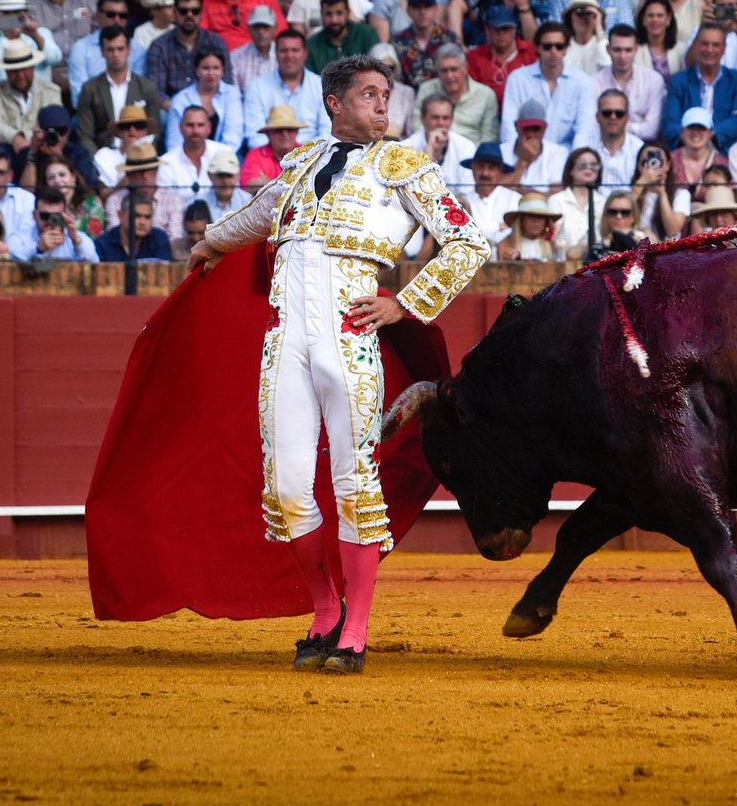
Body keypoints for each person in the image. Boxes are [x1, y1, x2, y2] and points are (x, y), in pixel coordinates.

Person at [186, 55, 490, 676]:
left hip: (348, 336)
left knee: (355, 482)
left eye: (387, 96)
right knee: (288, 487)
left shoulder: (404, 165)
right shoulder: (296, 168)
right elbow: (255, 216)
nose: (384, 107)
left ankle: (356, 628)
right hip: (287, 341)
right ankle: (324, 609)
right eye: (371, 95)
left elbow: (470, 241)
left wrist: (405, 302)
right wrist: (210, 243)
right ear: (335, 103)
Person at [503, 24, 599, 150]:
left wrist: (576, 159)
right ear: (537, 48)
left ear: (566, 49)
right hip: (526, 153)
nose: (553, 51)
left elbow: (585, 126)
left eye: (559, 46)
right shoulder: (517, 79)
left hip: (567, 155)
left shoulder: (581, 80)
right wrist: (517, 155)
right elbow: (509, 125)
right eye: (547, 46)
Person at [76, 26, 165, 156]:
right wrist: (98, 162)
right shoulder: (90, 89)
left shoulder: (147, 87)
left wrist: (141, 156)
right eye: (110, 49)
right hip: (104, 154)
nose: (116, 54)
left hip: (140, 155)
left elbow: (154, 131)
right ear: (102, 52)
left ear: (129, 50)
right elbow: (85, 134)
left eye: (120, 49)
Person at [661, 23, 737, 149]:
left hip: (725, 152)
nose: (709, 50)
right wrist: (692, 138)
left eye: (715, 45)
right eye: (704, 44)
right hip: (685, 150)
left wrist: (707, 136)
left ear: (724, 48)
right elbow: (670, 124)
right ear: (696, 46)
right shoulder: (678, 81)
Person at [246, 29, 329, 150]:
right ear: (276, 53)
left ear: (305, 53)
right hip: (269, 156)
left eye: (295, 50)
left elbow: (326, 132)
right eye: (284, 50)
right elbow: (254, 135)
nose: (289, 55)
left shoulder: (321, 85)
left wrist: (301, 154)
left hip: (313, 155)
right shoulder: (257, 86)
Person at [147, 0, 231, 106]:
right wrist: (180, 111)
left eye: (195, 11)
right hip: (172, 108)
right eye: (183, 11)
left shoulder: (216, 42)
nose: (189, 15)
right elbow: (156, 91)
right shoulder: (159, 46)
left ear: (201, 13)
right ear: (174, 13)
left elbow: (226, 84)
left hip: (212, 107)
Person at [0, 0, 62, 89]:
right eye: (6, 13)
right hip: (1, 99)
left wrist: (35, 35)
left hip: (38, 98)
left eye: (16, 12)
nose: (11, 17)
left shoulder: (42, 33)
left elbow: (54, 58)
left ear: (26, 13)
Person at [0, 41, 65, 153]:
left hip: (43, 152)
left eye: (24, 69)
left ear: (32, 67)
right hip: (8, 154)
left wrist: (14, 140)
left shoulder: (51, 91)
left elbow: (54, 126)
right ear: (6, 71)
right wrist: (14, 137)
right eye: (14, 71)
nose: (20, 75)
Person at [26, 0, 100, 94]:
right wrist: (48, 72)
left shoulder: (92, 0)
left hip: (86, 71)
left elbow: (100, 43)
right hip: (43, 71)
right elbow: (24, 44)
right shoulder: (28, 1)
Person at [416, 42, 498, 145]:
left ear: (465, 68)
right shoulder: (426, 89)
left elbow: (488, 139)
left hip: (471, 157)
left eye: (454, 69)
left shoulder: (485, 95)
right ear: (437, 71)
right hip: (431, 151)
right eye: (444, 71)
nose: (449, 76)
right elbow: (417, 127)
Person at [597, 25, 664, 143]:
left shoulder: (653, 79)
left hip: (643, 145)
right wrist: (635, 127)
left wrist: (614, 128)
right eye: (617, 50)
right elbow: (592, 126)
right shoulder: (595, 81)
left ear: (636, 49)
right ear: (608, 49)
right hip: (604, 144)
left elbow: (652, 129)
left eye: (628, 50)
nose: (622, 56)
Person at [166, 50, 245, 150]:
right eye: (205, 68)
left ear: (222, 70)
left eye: (216, 68)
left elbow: (233, 135)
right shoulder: (180, 99)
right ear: (196, 70)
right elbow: (174, 142)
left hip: (224, 156)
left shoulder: (232, 94)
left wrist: (216, 160)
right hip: (187, 158)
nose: (211, 73)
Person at [105, 142, 186, 239]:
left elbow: (174, 238)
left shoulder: (173, 199)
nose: (145, 177)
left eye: (150, 171)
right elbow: (115, 238)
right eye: (140, 172)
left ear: (157, 171)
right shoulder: (115, 201)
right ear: (128, 175)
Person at [160, 106, 235, 205]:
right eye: (190, 125)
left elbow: (233, 195)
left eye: (200, 125)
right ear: (180, 127)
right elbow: (165, 204)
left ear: (209, 128)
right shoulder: (166, 162)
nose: (195, 130)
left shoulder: (224, 152)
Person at [64, 0, 131, 98]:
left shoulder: (137, 48)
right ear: (97, 16)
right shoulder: (81, 48)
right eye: (111, 14)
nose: (117, 19)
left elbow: (140, 90)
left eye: (122, 16)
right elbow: (79, 95)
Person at [457, 140, 520, 248]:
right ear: (472, 169)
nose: (485, 173)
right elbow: (461, 235)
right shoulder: (461, 201)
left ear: (501, 171)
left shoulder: (515, 199)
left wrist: (479, 229)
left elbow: (517, 234)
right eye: (480, 167)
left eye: (492, 168)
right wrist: (498, 227)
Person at [406, 92, 477, 189]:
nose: (441, 123)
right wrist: (429, 152)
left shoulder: (466, 147)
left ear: (452, 120)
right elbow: (410, 190)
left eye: (446, 118)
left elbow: (467, 192)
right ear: (422, 119)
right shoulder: (406, 147)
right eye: (435, 118)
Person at [393, 0, 459, 88]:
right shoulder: (397, 43)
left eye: (427, 7)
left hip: (444, 97)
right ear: (408, 11)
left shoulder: (450, 39)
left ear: (436, 9)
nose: (422, 12)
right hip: (409, 99)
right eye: (417, 7)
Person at [469, 6, 536, 103]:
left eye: (506, 28)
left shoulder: (531, 51)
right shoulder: (474, 56)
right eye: (496, 29)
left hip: (524, 110)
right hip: (488, 111)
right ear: (487, 29)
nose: (501, 33)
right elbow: (472, 92)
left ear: (514, 29)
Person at [499, 99, 568, 193]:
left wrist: (515, 188)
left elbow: (555, 196)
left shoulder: (558, 153)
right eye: (526, 129)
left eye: (536, 129)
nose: (531, 134)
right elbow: (494, 191)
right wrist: (523, 161)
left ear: (544, 129)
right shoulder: (501, 151)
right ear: (516, 126)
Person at [201, 0, 281, 52]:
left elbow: (279, 35)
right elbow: (200, 36)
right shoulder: (207, 0)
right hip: (219, 59)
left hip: (258, 57)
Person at [37, 154, 105, 239]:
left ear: (73, 177)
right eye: (51, 178)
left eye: (62, 175)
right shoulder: (43, 207)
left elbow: (95, 239)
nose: (57, 181)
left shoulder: (92, 202)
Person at [587, 89, 643, 193]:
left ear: (627, 118)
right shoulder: (583, 144)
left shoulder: (639, 150)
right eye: (607, 113)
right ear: (597, 117)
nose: (613, 117)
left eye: (619, 113)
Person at [240, 104, 307, 190]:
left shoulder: (307, 154)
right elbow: (250, 188)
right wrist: (291, 186)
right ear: (268, 133)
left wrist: (268, 183)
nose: (284, 134)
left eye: (290, 129)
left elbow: (308, 189)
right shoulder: (255, 155)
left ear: (297, 132)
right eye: (278, 130)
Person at [548, 146, 600, 255]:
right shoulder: (556, 200)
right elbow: (552, 238)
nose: (589, 168)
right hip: (563, 262)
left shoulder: (604, 202)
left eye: (594, 165)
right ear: (571, 170)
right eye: (582, 164)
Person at [629, 143, 686, 240]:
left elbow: (673, 231)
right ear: (639, 165)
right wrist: (641, 183)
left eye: (658, 162)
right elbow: (622, 212)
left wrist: (662, 193)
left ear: (668, 165)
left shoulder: (681, 194)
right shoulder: (631, 193)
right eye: (645, 162)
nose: (652, 167)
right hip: (637, 248)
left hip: (668, 250)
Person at [29, 184, 100, 262]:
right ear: (34, 215)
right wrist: (38, 249)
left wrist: (75, 240)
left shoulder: (77, 237)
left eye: (56, 216)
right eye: (45, 216)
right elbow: (15, 257)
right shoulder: (22, 238)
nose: (50, 221)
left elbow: (93, 262)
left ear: (65, 214)